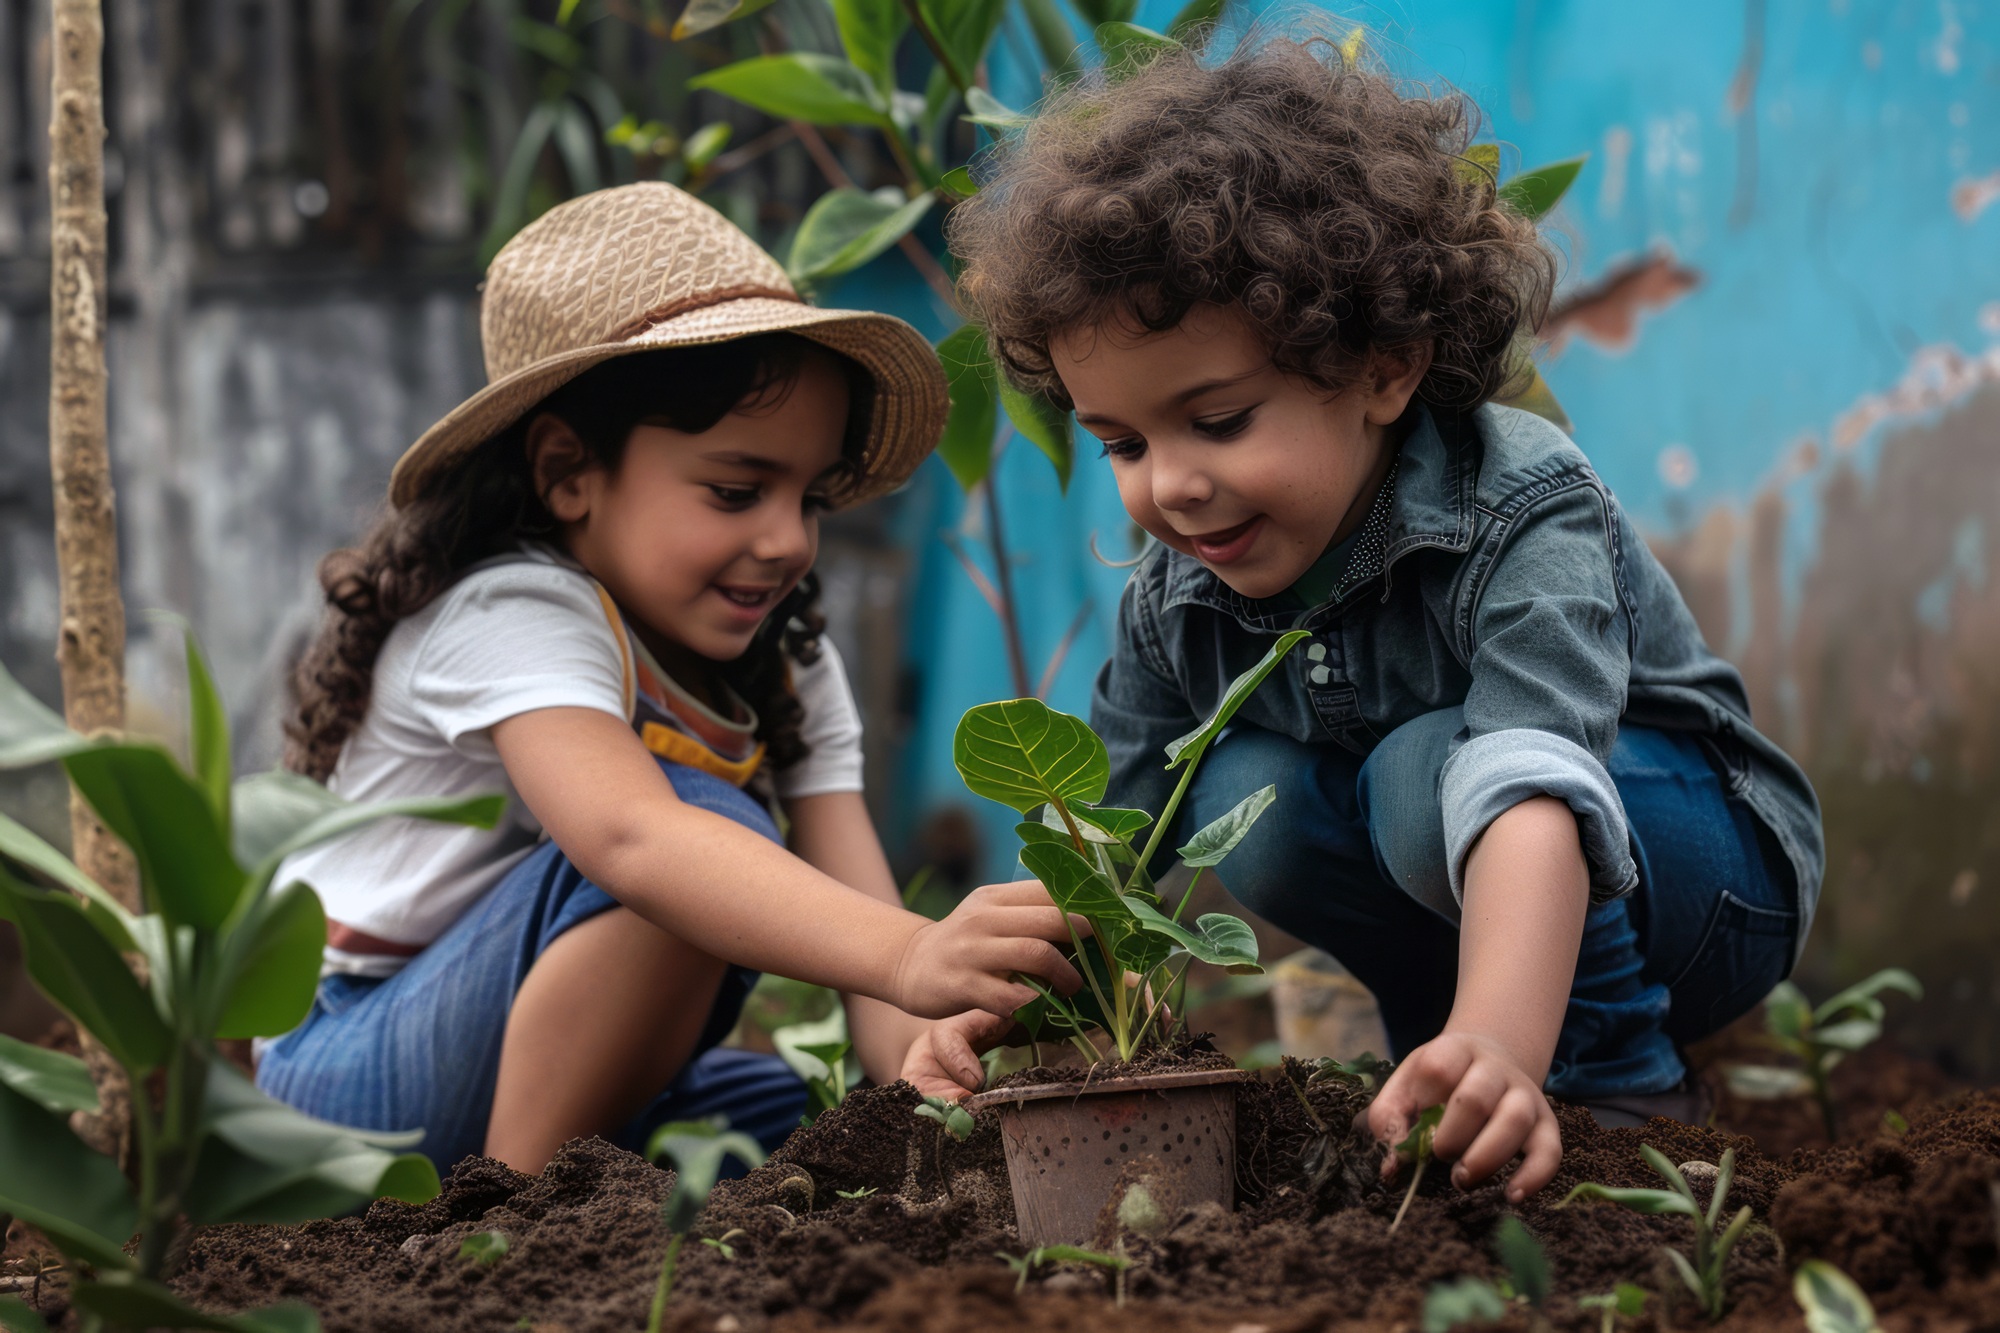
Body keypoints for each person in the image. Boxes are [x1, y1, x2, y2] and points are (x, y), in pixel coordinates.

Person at [947, 38, 1823, 1202]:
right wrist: (985, 1004)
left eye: (1216, 421)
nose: (1169, 485)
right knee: (1237, 796)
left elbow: (1533, 776)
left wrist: (1510, 1045)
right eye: (1123, 443)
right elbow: (1109, 848)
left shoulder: (1517, 504)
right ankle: (1446, 1066)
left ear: (1384, 368)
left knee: (1430, 767)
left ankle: (1614, 1080)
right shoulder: (1178, 595)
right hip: (1482, 905)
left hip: (1704, 883)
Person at [258, 182, 1078, 1174]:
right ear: (568, 470)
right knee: (700, 829)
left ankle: (562, 1189)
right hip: (343, 1082)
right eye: (736, 490)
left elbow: (874, 967)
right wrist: (913, 950)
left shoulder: (780, 655)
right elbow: (635, 839)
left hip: (511, 1065)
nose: (785, 541)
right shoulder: (511, 610)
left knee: (802, 1119)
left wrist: (924, 1049)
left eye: (808, 496)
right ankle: (513, 1221)